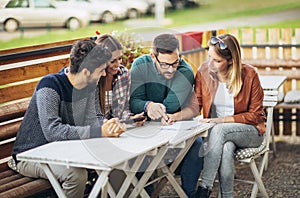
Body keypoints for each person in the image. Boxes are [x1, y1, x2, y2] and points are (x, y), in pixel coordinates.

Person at [10, 40, 126, 198]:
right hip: (30, 155)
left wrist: (108, 125)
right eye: (101, 70)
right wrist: (100, 131)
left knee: (117, 162)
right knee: (75, 176)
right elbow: (53, 131)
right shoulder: (49, 86)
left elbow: (95, 118)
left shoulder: (89, 85)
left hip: (66, 151)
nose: (104, 74)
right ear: (85, 71)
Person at [166, 34, 266, 197]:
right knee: (226, 148)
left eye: (217, 61)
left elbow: (256, 115)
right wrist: (175, 116)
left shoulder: (249, 74)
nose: (210, 64)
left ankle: (204, 188)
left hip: (250, 132)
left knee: (220, 130)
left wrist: (221, 121)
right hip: (218, 138)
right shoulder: (204, 72)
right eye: (209, 57)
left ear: (231, 61)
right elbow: (195, 106)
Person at [129, 33, 203, 197]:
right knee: (133, 147)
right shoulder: (140, 65)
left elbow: (170, 106)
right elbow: (134, 101)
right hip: (146, 126)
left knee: (197, 144)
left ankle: (189, 193)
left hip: (178, 125)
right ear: (152, 57)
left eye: (175, 62)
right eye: (165, 64)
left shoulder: (185, 71)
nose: (171, 69)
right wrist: (148, 105)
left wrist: (146, 108)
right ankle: (146, 194)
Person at [94, 34, 144, 122]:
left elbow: (121, 111)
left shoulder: (123, 74)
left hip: (114, 127)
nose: (118, 64)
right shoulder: (92, 79)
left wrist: (131, 119)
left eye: (120, 58)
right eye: (113, 61)